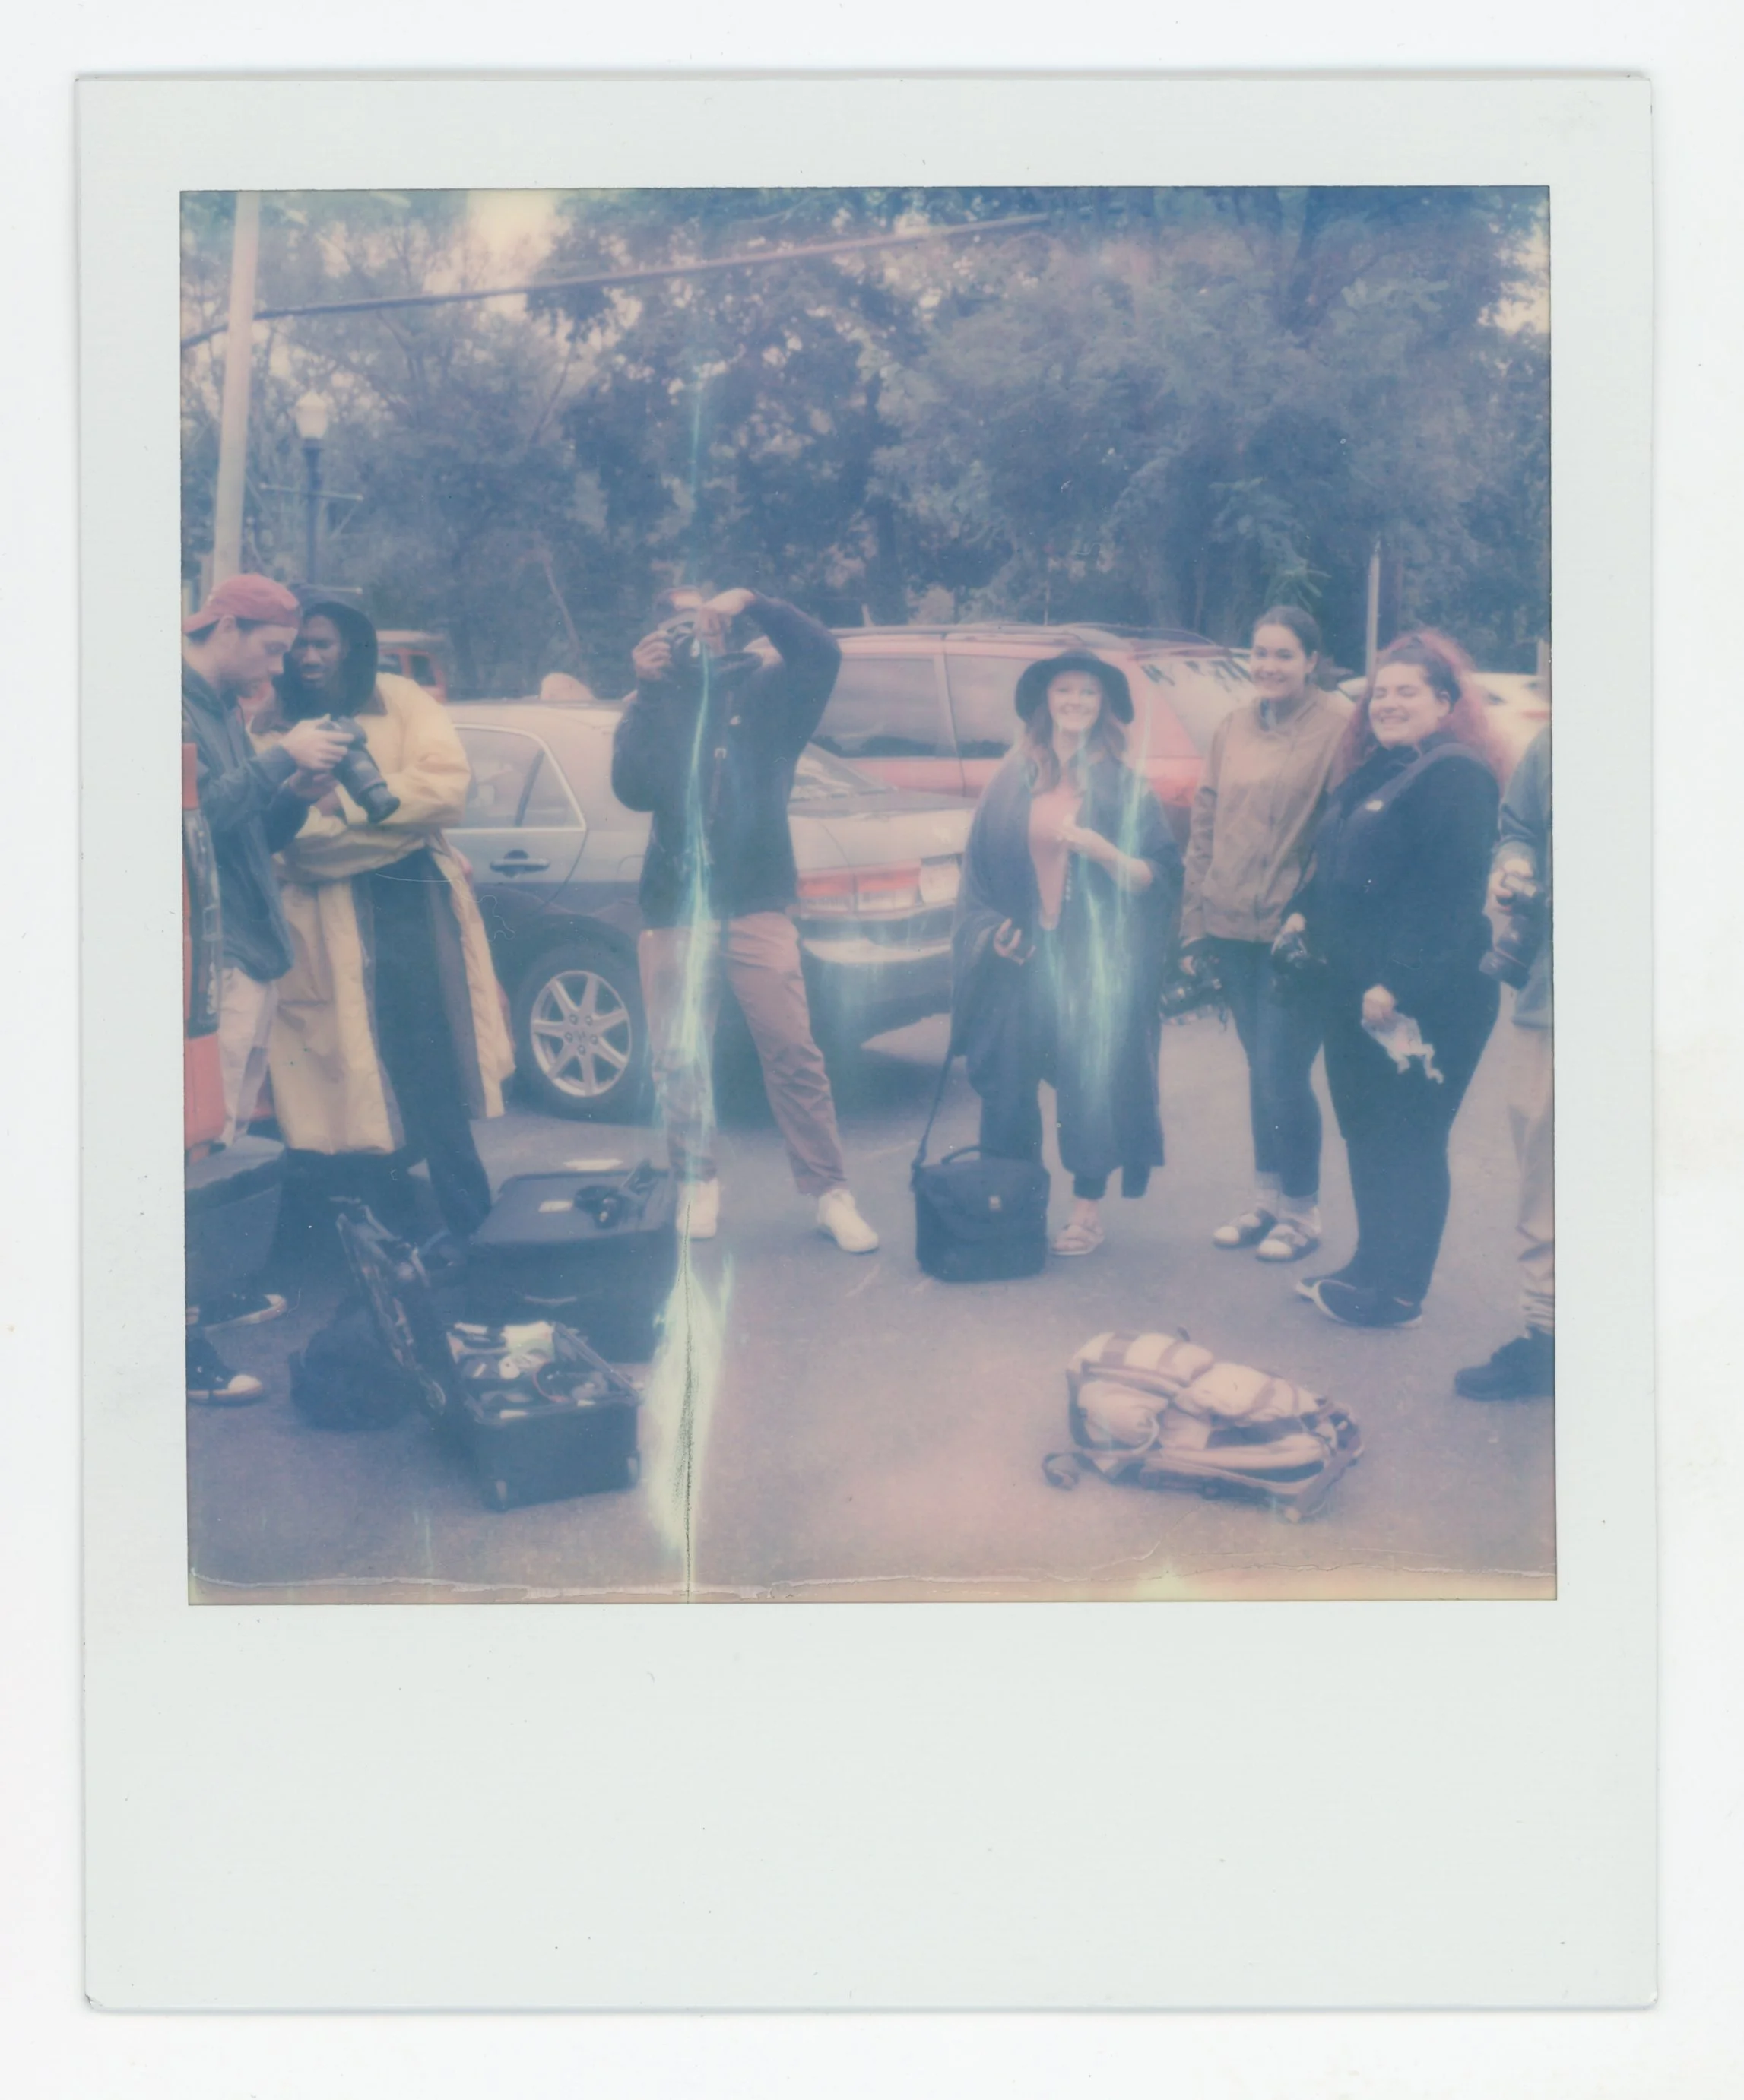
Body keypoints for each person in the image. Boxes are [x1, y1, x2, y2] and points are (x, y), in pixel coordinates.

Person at [611, 584, 880, 1252]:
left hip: (755, 899)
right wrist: (646, 696)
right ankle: (697, 1181)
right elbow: (632, 790)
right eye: (681, 631)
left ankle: (829, 1193)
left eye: (707, 628)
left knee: (791, 1048)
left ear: (729, 634)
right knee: (678, 1055)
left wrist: (753, 601)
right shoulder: (654, 703)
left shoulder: (770, 696)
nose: (695, 640)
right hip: (675, 905)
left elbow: (823, 653)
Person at [257, 599, 515, 1243]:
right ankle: (385, 1258)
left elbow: (448, 788)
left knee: (435, 1075)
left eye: (322, 643)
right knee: (355, 1090)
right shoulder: (268, 721)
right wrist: (399, 823)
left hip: (415, 913)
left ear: (352, 646)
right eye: (297, 645)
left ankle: (472, 1233)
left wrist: (344, 805)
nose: (308, 657)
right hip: (328, 927)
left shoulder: (400, 699)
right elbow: (299, 847)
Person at [1282, 631, 1505, 1329]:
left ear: (1445, 702)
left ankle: (1400, 1292)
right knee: (1369, 1132)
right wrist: (1296, 915)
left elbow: (1449, 895)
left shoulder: (1457, 774)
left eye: (1408, 691)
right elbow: (1332, 864)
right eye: (1381, 691)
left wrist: (1398, 983)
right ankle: (1370, 1264)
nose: (1389, 702)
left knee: (1409, 1137)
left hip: (1423, 998)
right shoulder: (1376, 770)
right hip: (1354, 987)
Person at [182, 573, 350, 1404]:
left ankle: (213, 1291)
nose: (280, 669)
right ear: (225, 626)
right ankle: (180, 1346)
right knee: (189, 1150)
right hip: (211, 956)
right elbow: (191, 816)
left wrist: (291, 793)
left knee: (219, 1144)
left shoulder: (220, 709)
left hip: (248, 946)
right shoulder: (171, 706)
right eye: (272, 648)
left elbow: (243, 822)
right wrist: (281, 756)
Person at [951, 651, 1181, 1256]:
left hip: (1093, 965)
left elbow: (1158, 877)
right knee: (1008, 1082)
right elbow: (976, 876)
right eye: (1064, 691)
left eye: (1088, 692)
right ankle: (1012, 1199)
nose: (1075, 701)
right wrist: (993, 929)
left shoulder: (1124, 785)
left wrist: (1105, 852)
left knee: (1090, 1083)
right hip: (1022, 962)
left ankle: (1086, 1211)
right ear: (1045, 701)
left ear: (1104, 704)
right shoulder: (1012, 778)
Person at [1179, 605, 1352, 1263]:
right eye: (1260, 654)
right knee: (1261, 1071)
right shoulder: (1231, 727)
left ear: (1313, 660)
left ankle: (1302, 1212)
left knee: (1282, 1071)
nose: (1269, 667)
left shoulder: (1339, 728)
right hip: (1229, 923)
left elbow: (1338, 839)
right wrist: (1195, 919)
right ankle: (1266, 1199)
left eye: (1284, 654)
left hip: (1294, 932)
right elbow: (1205, 823)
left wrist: (1312, 915)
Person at [1456, 724, 1554, 1399]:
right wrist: (1515, 862)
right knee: (1548, 1172)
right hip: (1559, 998)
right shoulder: (1560, 738)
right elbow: (1518, 822)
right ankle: (1549, 1339)